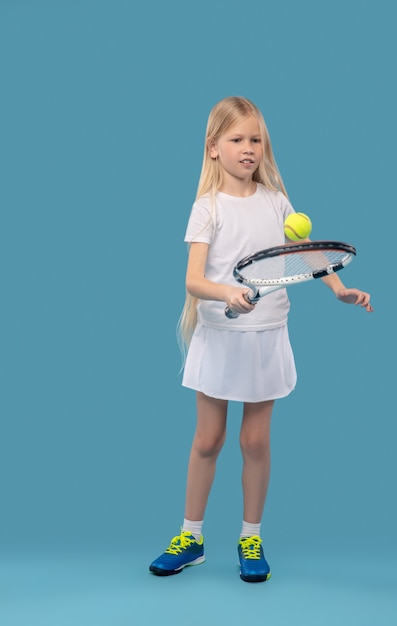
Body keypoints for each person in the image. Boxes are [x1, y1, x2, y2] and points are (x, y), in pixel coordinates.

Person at [149, 96, 373, 583]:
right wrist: (228, 291)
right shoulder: (206, 208)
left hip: (266, 335)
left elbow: (307, 256)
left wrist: (338, 290)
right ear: (213, 148)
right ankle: (191, 537)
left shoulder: (278, 204)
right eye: (236, 140)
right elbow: (193, 280)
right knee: (208, 440)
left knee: (255, 441)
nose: (248, 148)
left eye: (255, 140)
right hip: (220, 335)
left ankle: (251, 536)